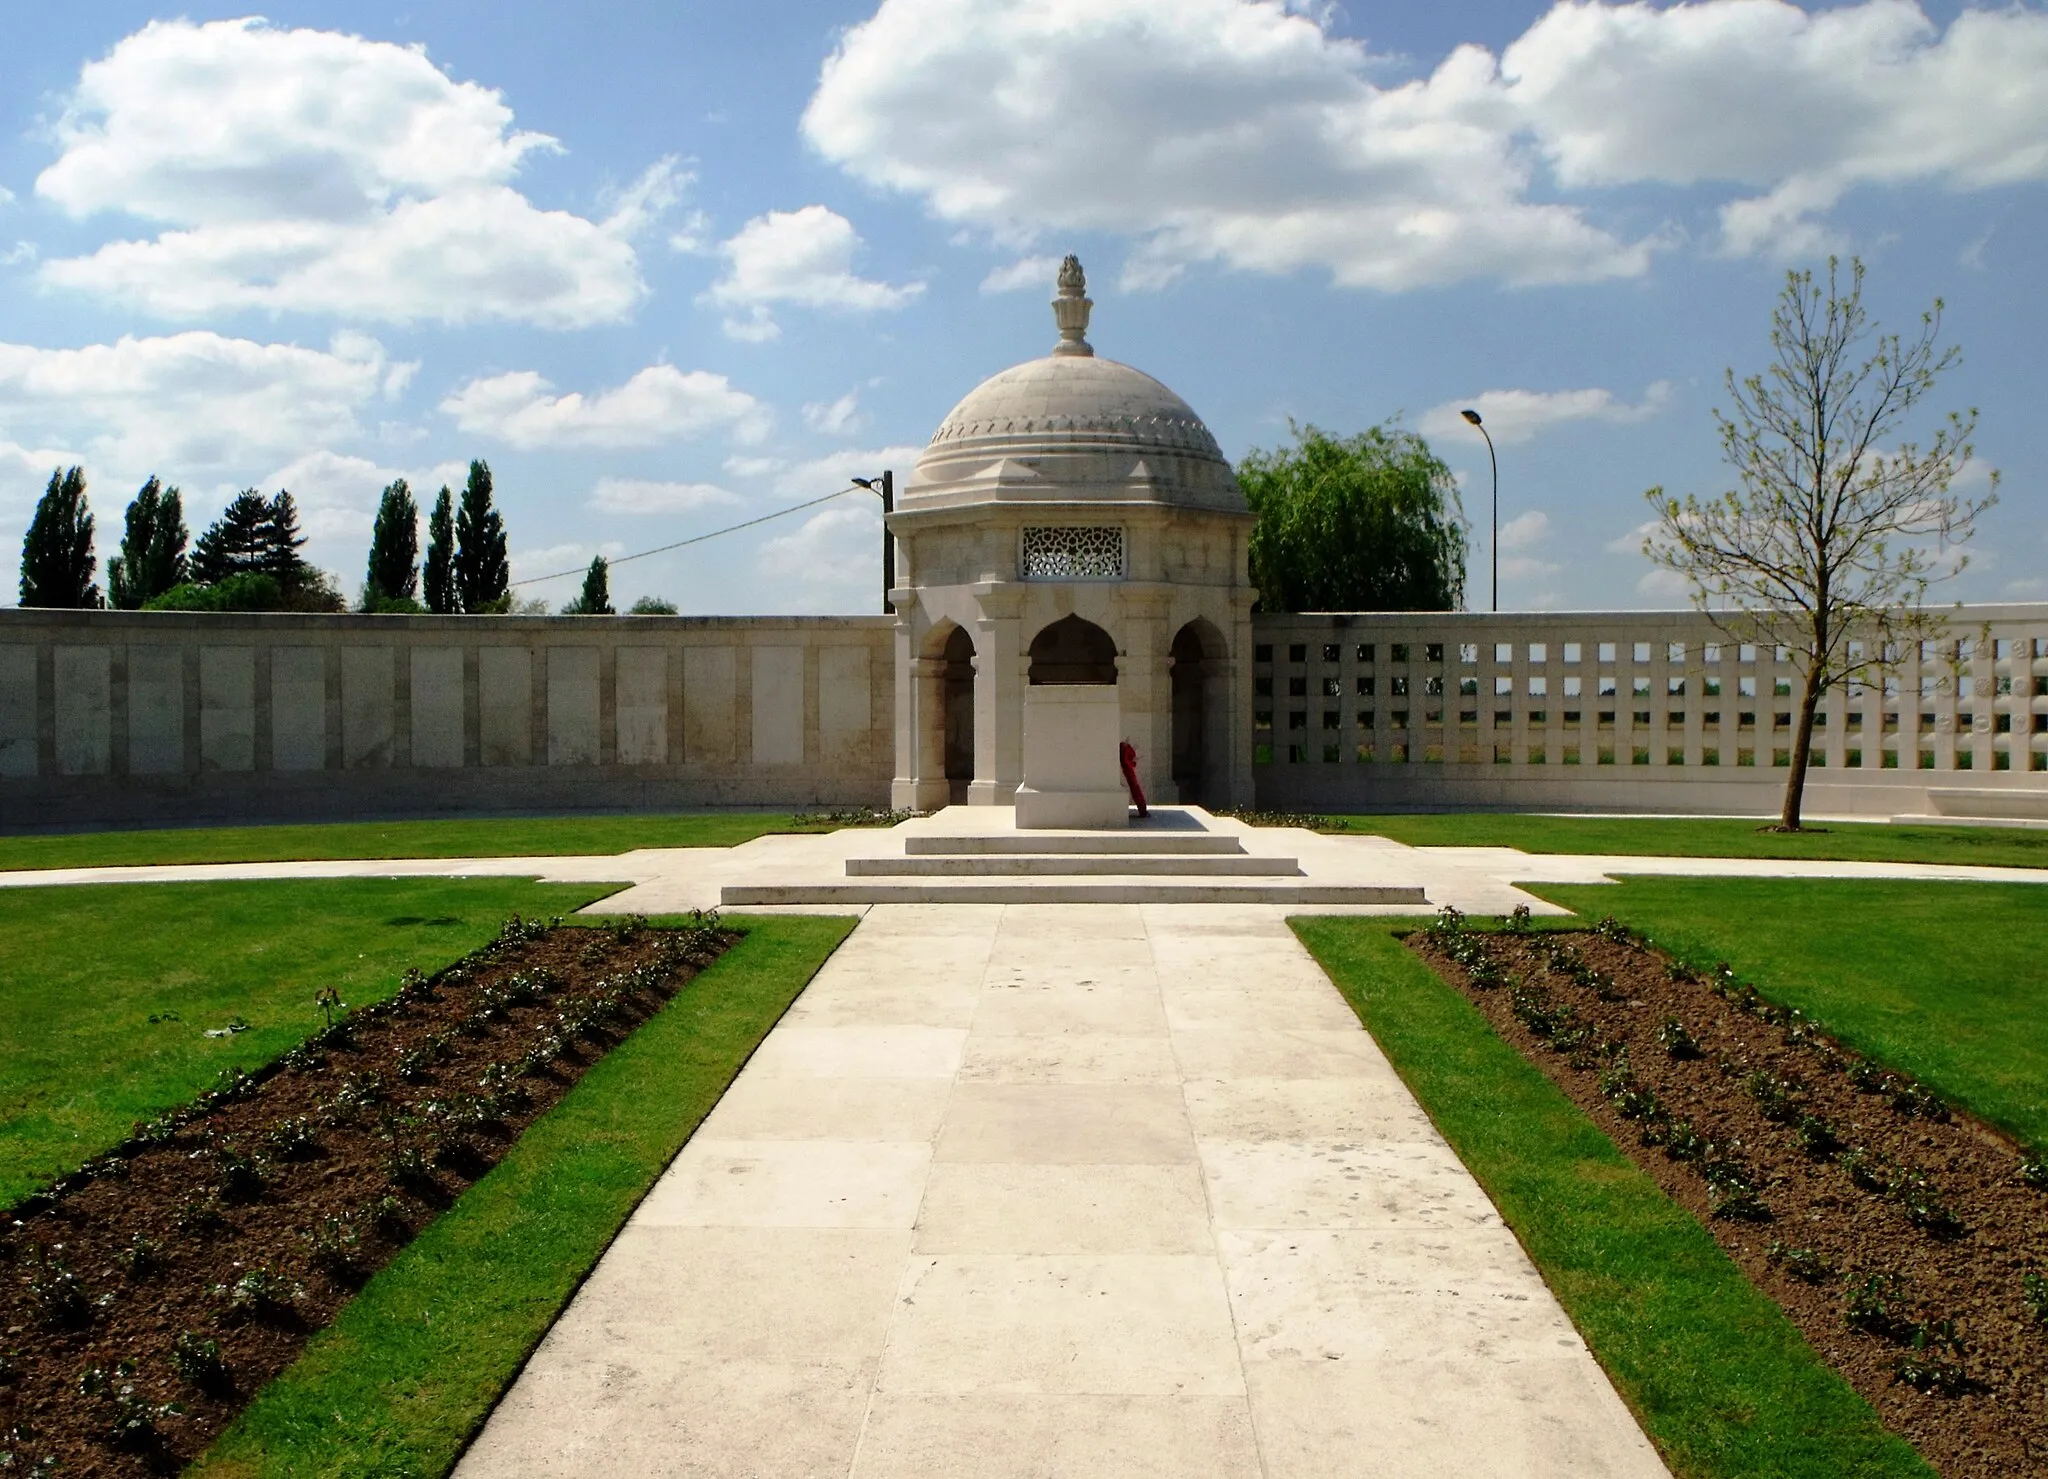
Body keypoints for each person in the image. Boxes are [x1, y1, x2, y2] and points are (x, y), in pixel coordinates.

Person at [1119, 739, 1149, 818]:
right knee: (1134, 785)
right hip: (1127, 765)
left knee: (1134, 785)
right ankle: (1142, 809)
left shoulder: (1126, 752)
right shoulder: (1127, 752)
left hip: (1127, 765)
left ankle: (1142, 809)